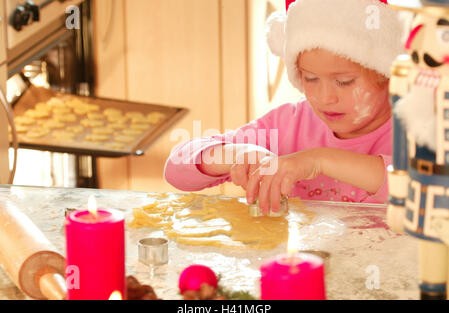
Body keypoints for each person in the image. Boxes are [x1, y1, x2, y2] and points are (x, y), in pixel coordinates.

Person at [164, 0, 405, 214]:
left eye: (344, 82)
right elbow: (176, 166)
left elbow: (417, 189)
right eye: (311, 78)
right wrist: (237, 154)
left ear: (387, 74)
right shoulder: (290, 123)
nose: (325, 97)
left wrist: (318, 160)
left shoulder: (415, 130)